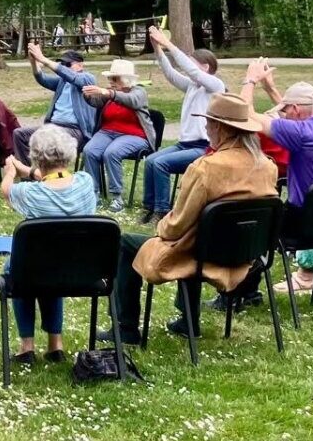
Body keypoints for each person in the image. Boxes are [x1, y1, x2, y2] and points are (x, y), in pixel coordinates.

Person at [99, 94, 277, 344]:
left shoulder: (205, 167)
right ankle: (187, 320)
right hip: (245, 254)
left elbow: (177, 226)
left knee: (128, 241)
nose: (205, 127)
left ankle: (126, 325)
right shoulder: (267, 166)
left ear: (220, 128)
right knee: (199, 235)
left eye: (208, 122)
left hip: (201, 253)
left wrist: (160, 225)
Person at [238, 62, 313, 295]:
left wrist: (250, 80)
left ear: (296, 110)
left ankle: (245, 295)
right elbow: (294, 120)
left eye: (286, 110)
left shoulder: (301, 134)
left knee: (250, 229)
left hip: (304, 226)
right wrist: (271, 89)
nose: (283, 114)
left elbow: (244, 115)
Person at [0, 125, 98, 364]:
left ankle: (27, 345)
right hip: (80, 268)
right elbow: (57, 179)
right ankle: (56, 343)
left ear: (36, 157)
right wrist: (31, 172)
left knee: (20, 268)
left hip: (35, 268)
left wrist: (11, 171)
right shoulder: (85, 182)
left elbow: (7, 191)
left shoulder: (31, 194)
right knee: (54, 265)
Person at [141, 26, 225, 223]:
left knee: (160, 164)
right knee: (151, 160)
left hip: (204, 147)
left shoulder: (215, 85)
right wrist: (158, 48)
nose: (189, 67)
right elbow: (170, 73)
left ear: (205, 67)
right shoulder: (192, 86)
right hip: (184, 144)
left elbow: (190, 70)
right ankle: (149, 206)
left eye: (194, 63)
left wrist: (167, 43)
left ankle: (161, 211)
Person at [80, 59, 156, 212]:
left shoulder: (138, 92)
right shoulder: (110, 93)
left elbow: (132, 101)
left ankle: (117, 197)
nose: (111, 82)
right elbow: (96, 101)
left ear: (126, 80)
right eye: (110, 78)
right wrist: (87, 95)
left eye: (115, 78)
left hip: (135, 135)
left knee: (112, 153)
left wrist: (109, 93)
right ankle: (94, 193)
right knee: (90, 151)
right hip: (107, 132)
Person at [12, 44, 96, 166]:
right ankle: (29, 179)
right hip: (53, 126)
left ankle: (51, 178)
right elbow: (42, 78)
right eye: (62, 64)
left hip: (75, 130)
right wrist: (34, 62)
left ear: (80, 65)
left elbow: (72, 77)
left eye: (67, 64)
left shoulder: (88, 79)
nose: (63, 67)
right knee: (19, 134)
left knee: (48, 138)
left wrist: (44, 59)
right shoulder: (62, 82)